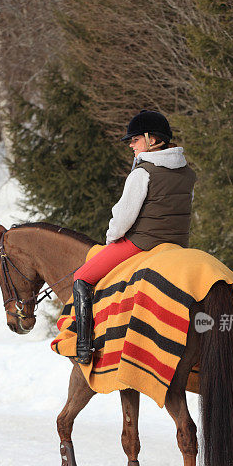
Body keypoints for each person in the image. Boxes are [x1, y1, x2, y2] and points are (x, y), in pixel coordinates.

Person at [72, 109, 196, 364]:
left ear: (152, 139)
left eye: (135, 139)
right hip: (178, 246)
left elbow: (123, 219)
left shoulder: (143, 172)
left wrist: (111, 239)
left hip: (142, 243)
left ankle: (84, 347)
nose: (130, 144)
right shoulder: (187, 173)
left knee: (81, 276)